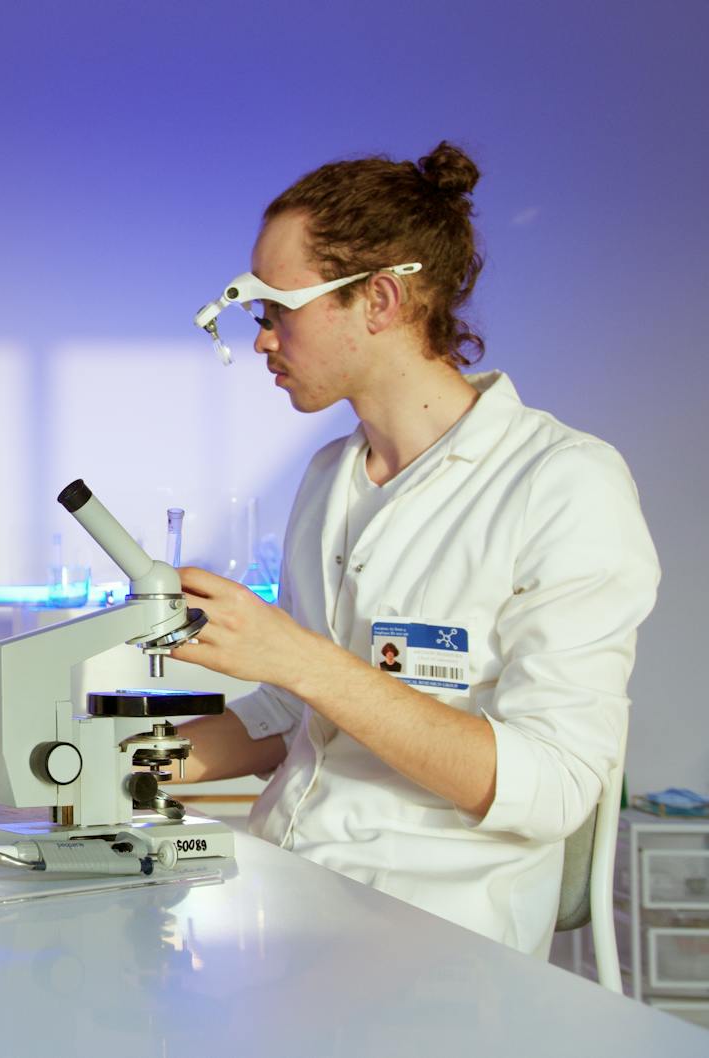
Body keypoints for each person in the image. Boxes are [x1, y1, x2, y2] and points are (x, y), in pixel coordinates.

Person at [169, 142, 659, 957]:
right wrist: (108, 764)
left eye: (275, 309)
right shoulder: (331, 477)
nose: (262, 340)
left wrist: (299, 657)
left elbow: (553, 790)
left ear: (380, 300)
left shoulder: (564, 484)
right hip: (291, 898)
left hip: (436, 945)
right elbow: (297, 714)